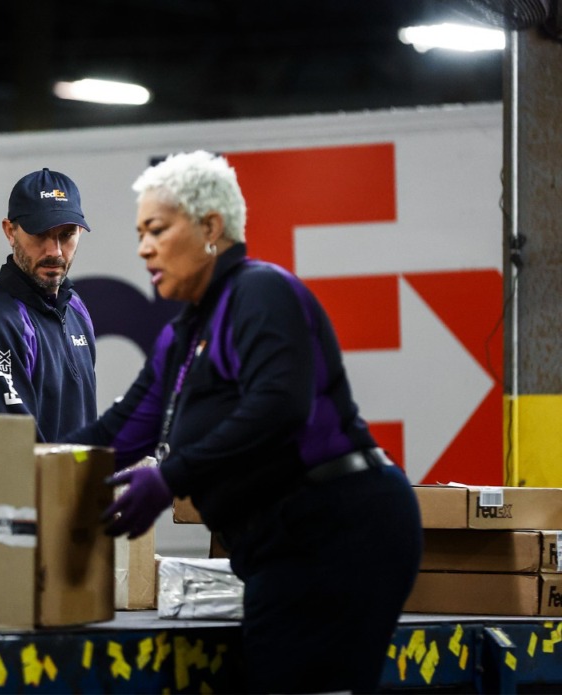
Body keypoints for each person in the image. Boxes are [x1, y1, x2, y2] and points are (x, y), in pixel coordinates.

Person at [68, 151, 422, 694]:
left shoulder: (260, 293)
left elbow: (279, 406)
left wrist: (170, 478)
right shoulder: (184, 334)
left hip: (337, 529)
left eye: (157, 229)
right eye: (140, 232)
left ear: (211, 227)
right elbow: (120, 431)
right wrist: (26, 466)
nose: (143, 248)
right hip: (279, 547)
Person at [0, 167, 98, 442]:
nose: (55, 251)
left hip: (76, 484)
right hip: (17, 486)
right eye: (40, 234)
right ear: (10, 231)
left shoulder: (75, 307)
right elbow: (12, 454)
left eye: (66, 234)